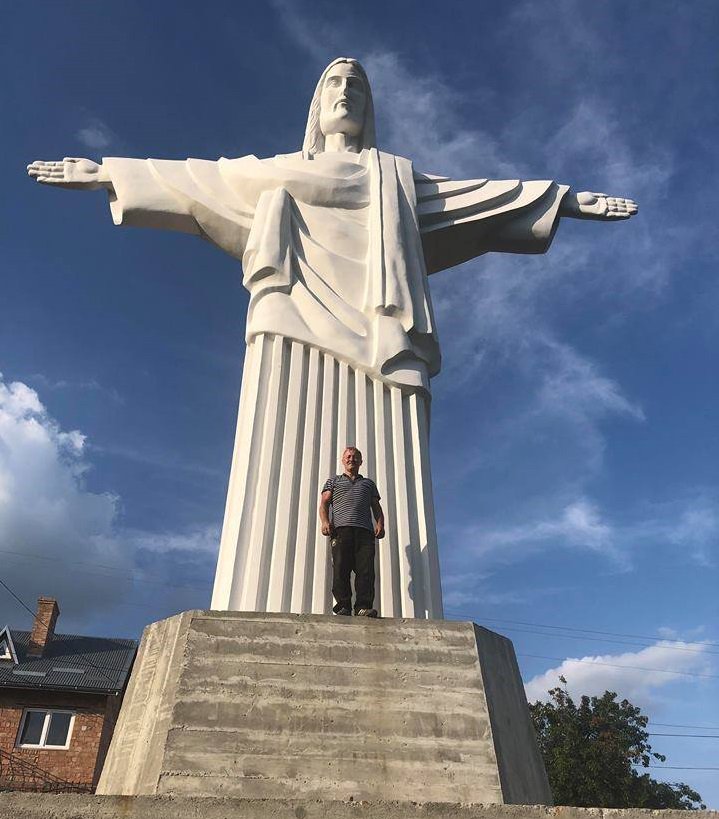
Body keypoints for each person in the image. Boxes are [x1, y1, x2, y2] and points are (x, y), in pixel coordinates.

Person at [320, 447, 385, 617]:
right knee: (341, 569)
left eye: (355, 457)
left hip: (365, 532)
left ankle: (362, 607)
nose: (351, 459)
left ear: (361, 462)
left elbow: (376, 506)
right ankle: (343, 606)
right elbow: (324, 503)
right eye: (348, 456)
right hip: (341, 530)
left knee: (366, 571)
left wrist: (380, 524)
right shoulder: (333, 481)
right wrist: (325, 522)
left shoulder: (369, 484)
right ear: (343, 460)